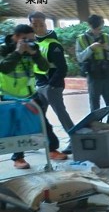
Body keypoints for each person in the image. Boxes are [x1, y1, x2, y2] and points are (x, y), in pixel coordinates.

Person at [0, 24, 68, 169]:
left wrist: (34, 54)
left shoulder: (33, 48)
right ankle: (18, 158)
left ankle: (52, 149)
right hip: (9, 96)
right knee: (17, 127)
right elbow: (4, 68)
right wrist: (18, 52)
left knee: (43, 123)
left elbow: (44, 67)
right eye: (26, 39)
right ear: (16, 37)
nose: (30, 42)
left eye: (32, 39)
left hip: (30, 94)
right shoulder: (3, 49)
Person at [29, 11, 75, 154]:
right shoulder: (33, 43)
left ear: (45, 24)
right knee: (38, 114)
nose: (38, 27)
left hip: (52, 86)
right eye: (34, 24)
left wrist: (51, 85)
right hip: (40, 85)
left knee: (60, 113)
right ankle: (37, 141)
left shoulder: (53, 44)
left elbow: (62, 68)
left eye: (41, 24)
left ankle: (74, 139)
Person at [75, 14, 109, 124]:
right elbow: (80, 58)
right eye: (95, 28)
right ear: (89, 25)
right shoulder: (81, 39)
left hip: (106, 72)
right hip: (93, 74)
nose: (97, 31)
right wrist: (91, 48)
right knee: (94, 102)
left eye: (99, 28)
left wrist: (107, 48)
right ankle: (96, 124)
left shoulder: (107, 37)